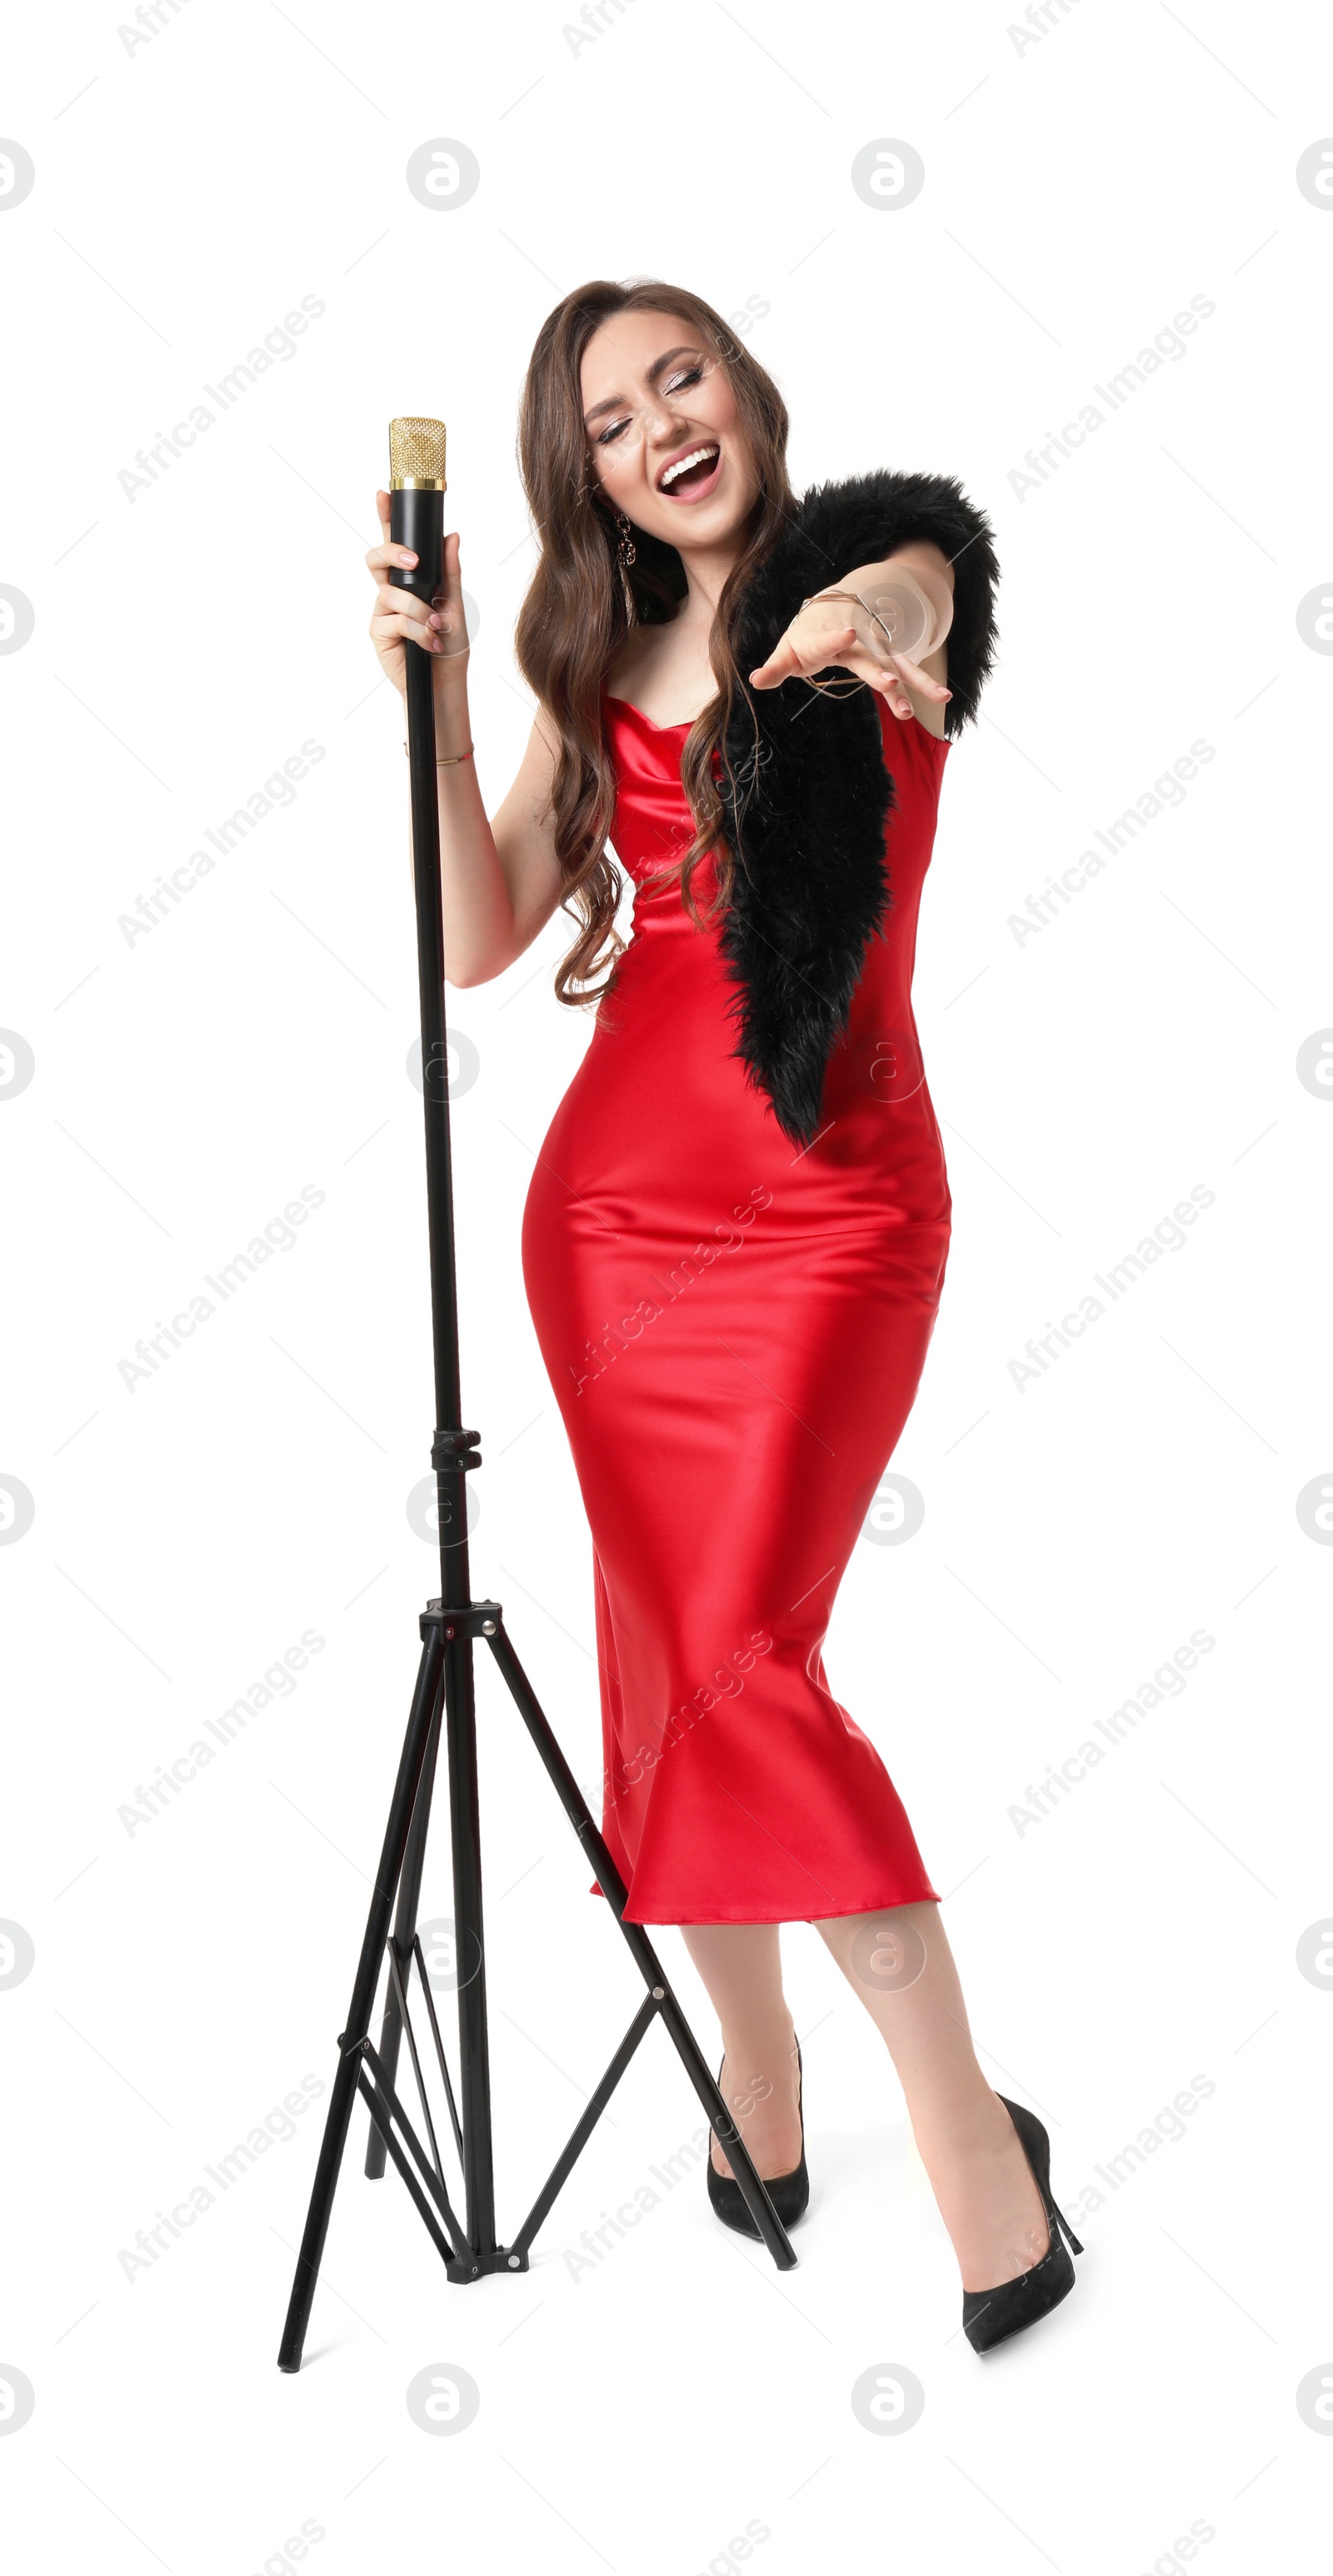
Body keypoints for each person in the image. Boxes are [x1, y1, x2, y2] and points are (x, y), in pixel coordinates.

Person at [365, 278, 1081, 2352]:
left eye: (676, 374)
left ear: (738, 388)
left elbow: (918, 598)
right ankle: (752, 2111)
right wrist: (426, 703)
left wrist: (863, 626)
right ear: (578, 476)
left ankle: (971, 2159)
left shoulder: (878, 560)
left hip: (830, 1204)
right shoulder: (591, 654)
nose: (655, 424)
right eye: (605, 417)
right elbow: (482, 940)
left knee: (750, 1661)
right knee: (668, 1659)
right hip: (607, 1222)